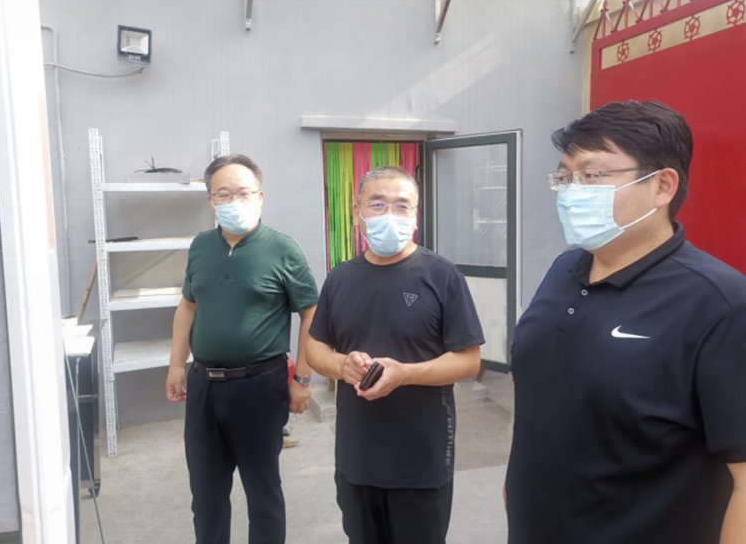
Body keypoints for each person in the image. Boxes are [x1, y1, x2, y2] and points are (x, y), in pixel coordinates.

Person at [506, 101, 746, 544]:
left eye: (592, 175)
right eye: (565, 177)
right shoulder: (563, 270)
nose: (572, 192)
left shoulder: (720, 303)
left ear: (662, 186)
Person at [306, 166, 484, 544]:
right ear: (357, 213)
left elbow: (469, 359)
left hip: (420, 459)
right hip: (356, 456)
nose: (390, 214)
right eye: (377, 204)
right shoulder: (340, 278)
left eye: (402, 206)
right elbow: (315, 347)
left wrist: (406, 373)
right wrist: (341, 365)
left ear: (415, 217)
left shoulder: (442, 276)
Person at [165, 154, 319, 544]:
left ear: (260, 197)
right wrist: (176, 365)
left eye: (244, 193)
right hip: (203, 384)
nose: (234, 201)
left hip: (259, 386)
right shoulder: (201, 246)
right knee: (206, 493)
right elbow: (187, 306)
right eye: (224, 194)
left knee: (262, 490)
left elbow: (311, 314)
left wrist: (303, 378)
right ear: (211, 201)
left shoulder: (283, 249)